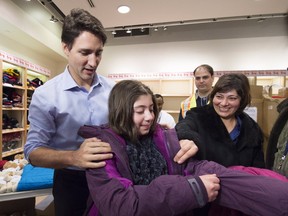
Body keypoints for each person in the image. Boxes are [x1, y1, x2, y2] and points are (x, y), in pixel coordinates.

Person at [23, 9, 200, 216]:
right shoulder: (45, 95)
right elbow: (33, 151)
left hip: (118, 176)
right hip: (72, 183)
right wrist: (74, 157)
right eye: (85, 52)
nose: (93, 61)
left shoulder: (115, 90)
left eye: (98, 53)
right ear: (66, 48)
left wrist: (179, 138)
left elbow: (144, 123)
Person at [78, 80, 288, 216]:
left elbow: (190, 167)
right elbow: (121, 205)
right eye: (140, 111)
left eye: (151, 109)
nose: (150, 117)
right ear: (121, 111)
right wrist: (193, 188)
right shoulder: (101, 149)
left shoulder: (161, 137)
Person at [176, 73, 265, 168]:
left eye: (232, 98)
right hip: (207, 180)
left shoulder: (252, 129)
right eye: (219, 97)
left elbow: (258, 168)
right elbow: (184, 125)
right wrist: (186, 137)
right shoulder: (198, 116)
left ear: (241, 100)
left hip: (241, 182)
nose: (224, 103)